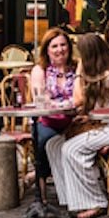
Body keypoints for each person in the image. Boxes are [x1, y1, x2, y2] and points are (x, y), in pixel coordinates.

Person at [45, 33, 109, 218]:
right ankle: (70, 199)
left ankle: (95, 201)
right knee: (53, 145)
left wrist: (79, 70)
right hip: (105, 124)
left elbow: (78, 99)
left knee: (72, 148)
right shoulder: (102, 72)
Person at [29, 27, 77, 182]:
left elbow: (83, 96)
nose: (60, 50)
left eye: (63, 45)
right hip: (48, 121)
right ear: (47, 50)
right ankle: (41, 179)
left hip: (75, 121)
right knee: (45, 139)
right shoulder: (40, 70)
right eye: (54, 46)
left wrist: (58, 103)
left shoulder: (77, 68)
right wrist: (67, 104)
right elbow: (41, 100)